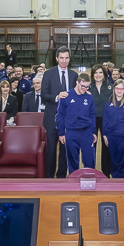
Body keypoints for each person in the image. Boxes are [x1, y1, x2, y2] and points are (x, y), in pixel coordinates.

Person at [41, 47, 77, 178]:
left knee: (65, 150)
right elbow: (44, 95)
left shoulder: (74, 75)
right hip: (52, 118)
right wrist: (57, 97)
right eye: (61, 58)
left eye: (66, 58)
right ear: (57, 58)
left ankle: (61, 176)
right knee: (51, 150)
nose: (64, 61)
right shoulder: (48, 74)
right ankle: (49, 177)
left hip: (68, 119)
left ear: (69, 59)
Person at [56, 73, 96, 176]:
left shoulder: (89, 97)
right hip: (71, 132)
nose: (85, 89)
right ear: (77, 82)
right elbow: (60, 115)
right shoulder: (66, 96)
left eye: (87, 87)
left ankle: (90, 180)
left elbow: (92, 115)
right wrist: (61, 133)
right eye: (83, 86)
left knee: (89, 159)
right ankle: (74, 181)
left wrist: (93, 132)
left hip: (86, 131)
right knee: (72, 160)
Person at [101, 79, 124, 178]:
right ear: (114, 89)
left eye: (121, 88)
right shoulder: (108, 103)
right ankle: (114, 178)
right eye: (117, 88)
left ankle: (121, 179)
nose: (119, 91)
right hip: (111, 136)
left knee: (122, 159)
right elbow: (105, 120)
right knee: (113, 159)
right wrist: (104, 135)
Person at [89, 65, 113, 176]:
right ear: (92, 75)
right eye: (95, 73)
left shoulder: (110, 87)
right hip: (91, 120)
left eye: (100, 72)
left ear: (104, 74)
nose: (98, 75)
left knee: (106, 145)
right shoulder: (88, 88)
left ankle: (106, 173)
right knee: (91, 146)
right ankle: (90, 171)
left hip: (106, 119)